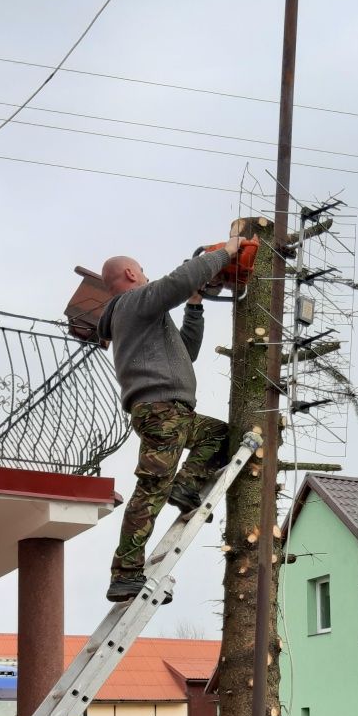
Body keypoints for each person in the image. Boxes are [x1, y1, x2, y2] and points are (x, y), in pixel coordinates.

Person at [97, 234, 250, 602]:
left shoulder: (142, 316)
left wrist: (194, 306)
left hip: (172, 412)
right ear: (132, 273)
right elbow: (178, 281)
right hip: (162, 411)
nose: (147, 276)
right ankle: (126, 573)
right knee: (151, 490)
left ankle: (186, 486)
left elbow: (187, 352)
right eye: (143, 271)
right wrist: (227, 252)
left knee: (220, 436)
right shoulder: (133, 302)